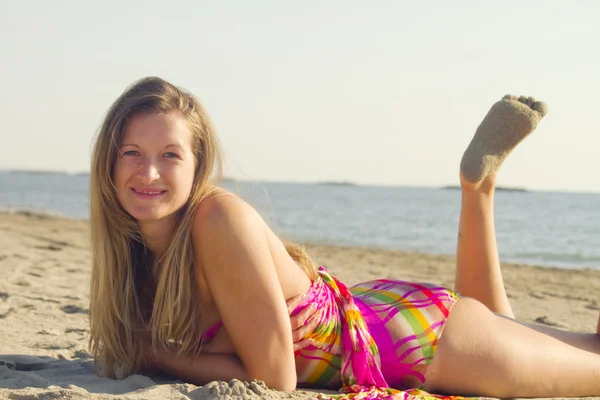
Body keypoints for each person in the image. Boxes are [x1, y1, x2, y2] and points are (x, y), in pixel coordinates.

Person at [88, 76, 600, 399]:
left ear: (199, 165)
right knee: (515, 327)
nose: (148, 172)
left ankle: (477, 188)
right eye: (132, 152)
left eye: (170, 155)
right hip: (370, 311)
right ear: (108, 162)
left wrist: (156, 354)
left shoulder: (217, 219)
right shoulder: (132, 248)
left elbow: (274, 380)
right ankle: (478, 189)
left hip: (413, 344)